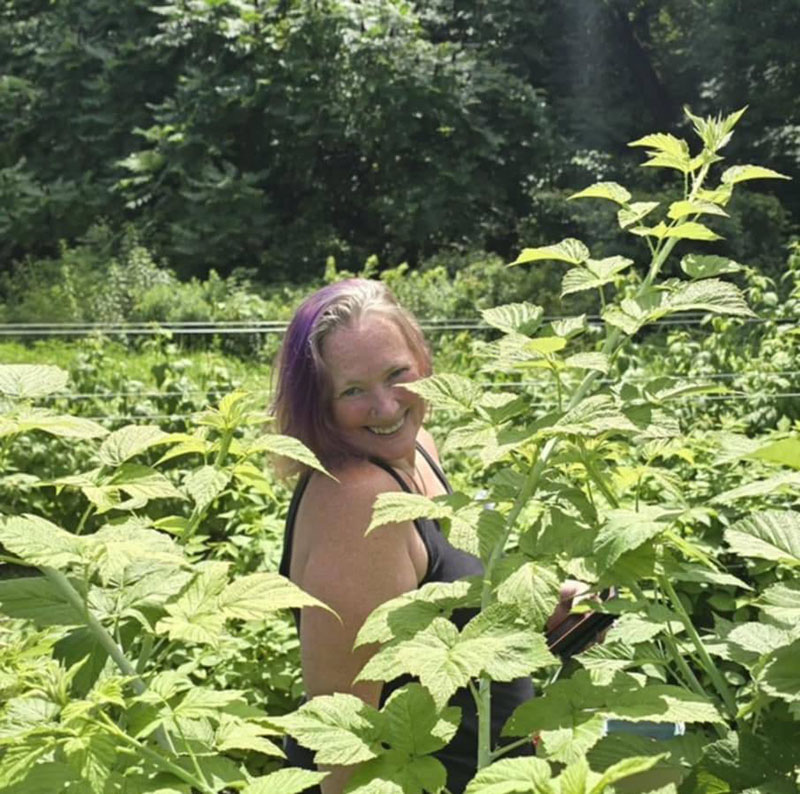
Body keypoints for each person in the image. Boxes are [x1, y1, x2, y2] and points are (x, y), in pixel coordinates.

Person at [273, 279, 537, 793]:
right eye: (352, 391)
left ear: (423, 359)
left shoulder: (418, 450)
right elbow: (344, 738)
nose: (387, 407)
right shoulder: (359, 502)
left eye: (398, 375)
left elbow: (444, 593)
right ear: (318, 407)